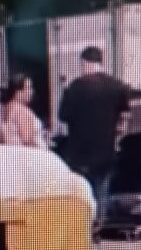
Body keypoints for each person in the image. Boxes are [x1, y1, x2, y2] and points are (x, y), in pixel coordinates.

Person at [57, 46, 133, 230]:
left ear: (85, 63)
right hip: (105, 149)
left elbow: (63, 116)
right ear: (100, 62)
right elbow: (125, 113)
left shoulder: (74, 88)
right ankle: (99, 223)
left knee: (83, 189)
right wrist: (118, 132)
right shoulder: (117, 86)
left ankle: (83, 225)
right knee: (102, 188)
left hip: (79, 152)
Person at [0, 73, 49, 148]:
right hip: (30, 154)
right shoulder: (22, 110)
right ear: (17, 92)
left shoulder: (7, 107)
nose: (32, 91)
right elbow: (28, 140)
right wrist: (45, 140)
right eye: (28, 88)